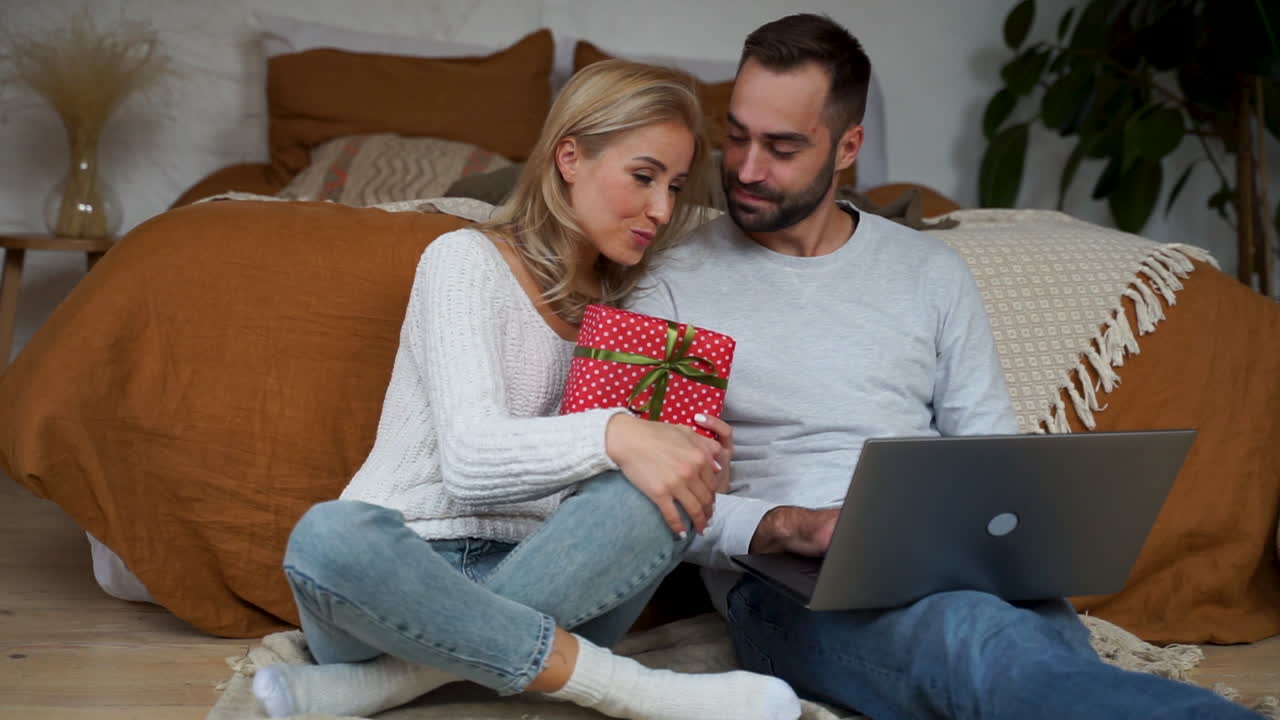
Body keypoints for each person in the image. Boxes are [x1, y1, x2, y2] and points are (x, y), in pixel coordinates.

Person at [625, 14, 1263, 720]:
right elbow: (641, 503)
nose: (746, 169)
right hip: (784, 589)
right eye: (737, 135)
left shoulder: (928, 270)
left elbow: (990, 457)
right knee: (985, 648)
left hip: (952, 566)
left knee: (1037, 655)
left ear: (847, 147)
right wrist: (787, 525)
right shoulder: (671, 282)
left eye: (782, 147)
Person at [250, 59, 803, 720]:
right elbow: (468, 460)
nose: (661, 209)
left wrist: (694, 464)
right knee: (329, 537)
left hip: (556, 579)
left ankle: (393, 682)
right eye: (643, 176)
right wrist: (617, 434)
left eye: (676, 187)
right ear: (569, 157)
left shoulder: (632, 313)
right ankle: (633, 690)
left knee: (659, 498)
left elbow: (621, 504)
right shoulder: (464, 261)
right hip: (403, 577)